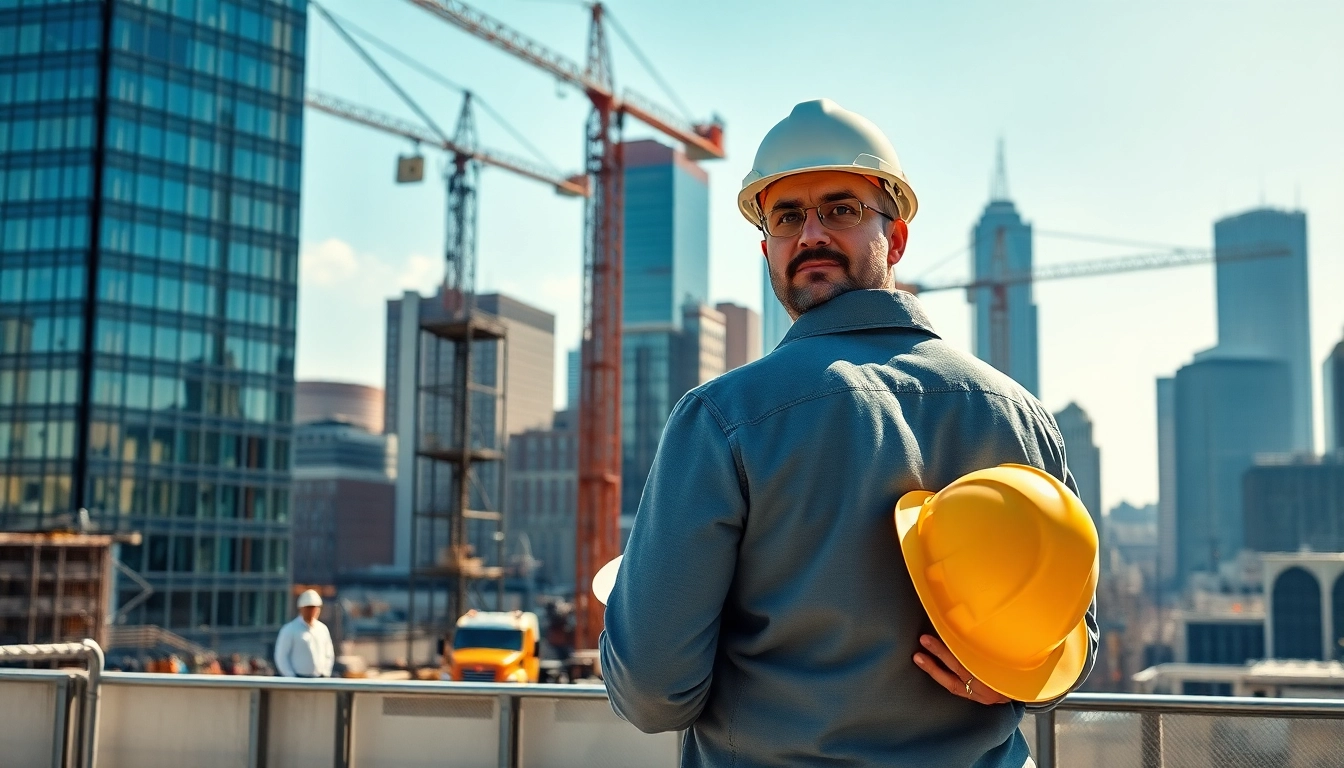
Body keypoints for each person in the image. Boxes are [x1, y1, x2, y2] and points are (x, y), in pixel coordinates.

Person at [599, 99, 1098, 767]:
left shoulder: (721, 420)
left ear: (896, 239)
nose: (810, 235)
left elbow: (652, 693)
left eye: (840, 210)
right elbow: (1068, 646)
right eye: (787, 217)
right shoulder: (1021, 417)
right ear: (767, 249)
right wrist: (1010, 680)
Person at [274, 589, 335, 678]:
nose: (312, 611)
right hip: (298, 679)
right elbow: (281, 656)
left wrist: (325, 673)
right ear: (301, 608)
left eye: (314, 608)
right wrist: (291, 677)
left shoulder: (322, 629)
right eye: (308, 608)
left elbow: (329, 654)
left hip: (319, 679)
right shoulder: (289, 629)